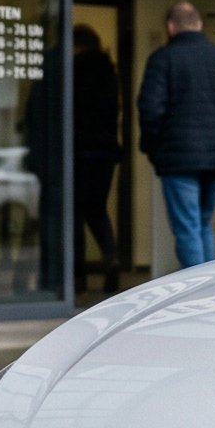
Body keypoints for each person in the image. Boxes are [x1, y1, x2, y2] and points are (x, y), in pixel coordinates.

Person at [136, 1, 215, 270]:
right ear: (199, 25)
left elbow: (150, 110)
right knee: (202, 224)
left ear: (170, 27)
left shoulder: (162, 59)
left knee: (188, 227)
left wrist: (154, 149)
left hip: (177, 159)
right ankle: (207, 286)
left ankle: (195, 293)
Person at [71, 25, 123, 289]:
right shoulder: (108, 70)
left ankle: (77, 276)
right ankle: (111, 257)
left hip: (81, 150)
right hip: (106, 151)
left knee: (76, 211)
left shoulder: (74, 70)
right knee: (97, 208)